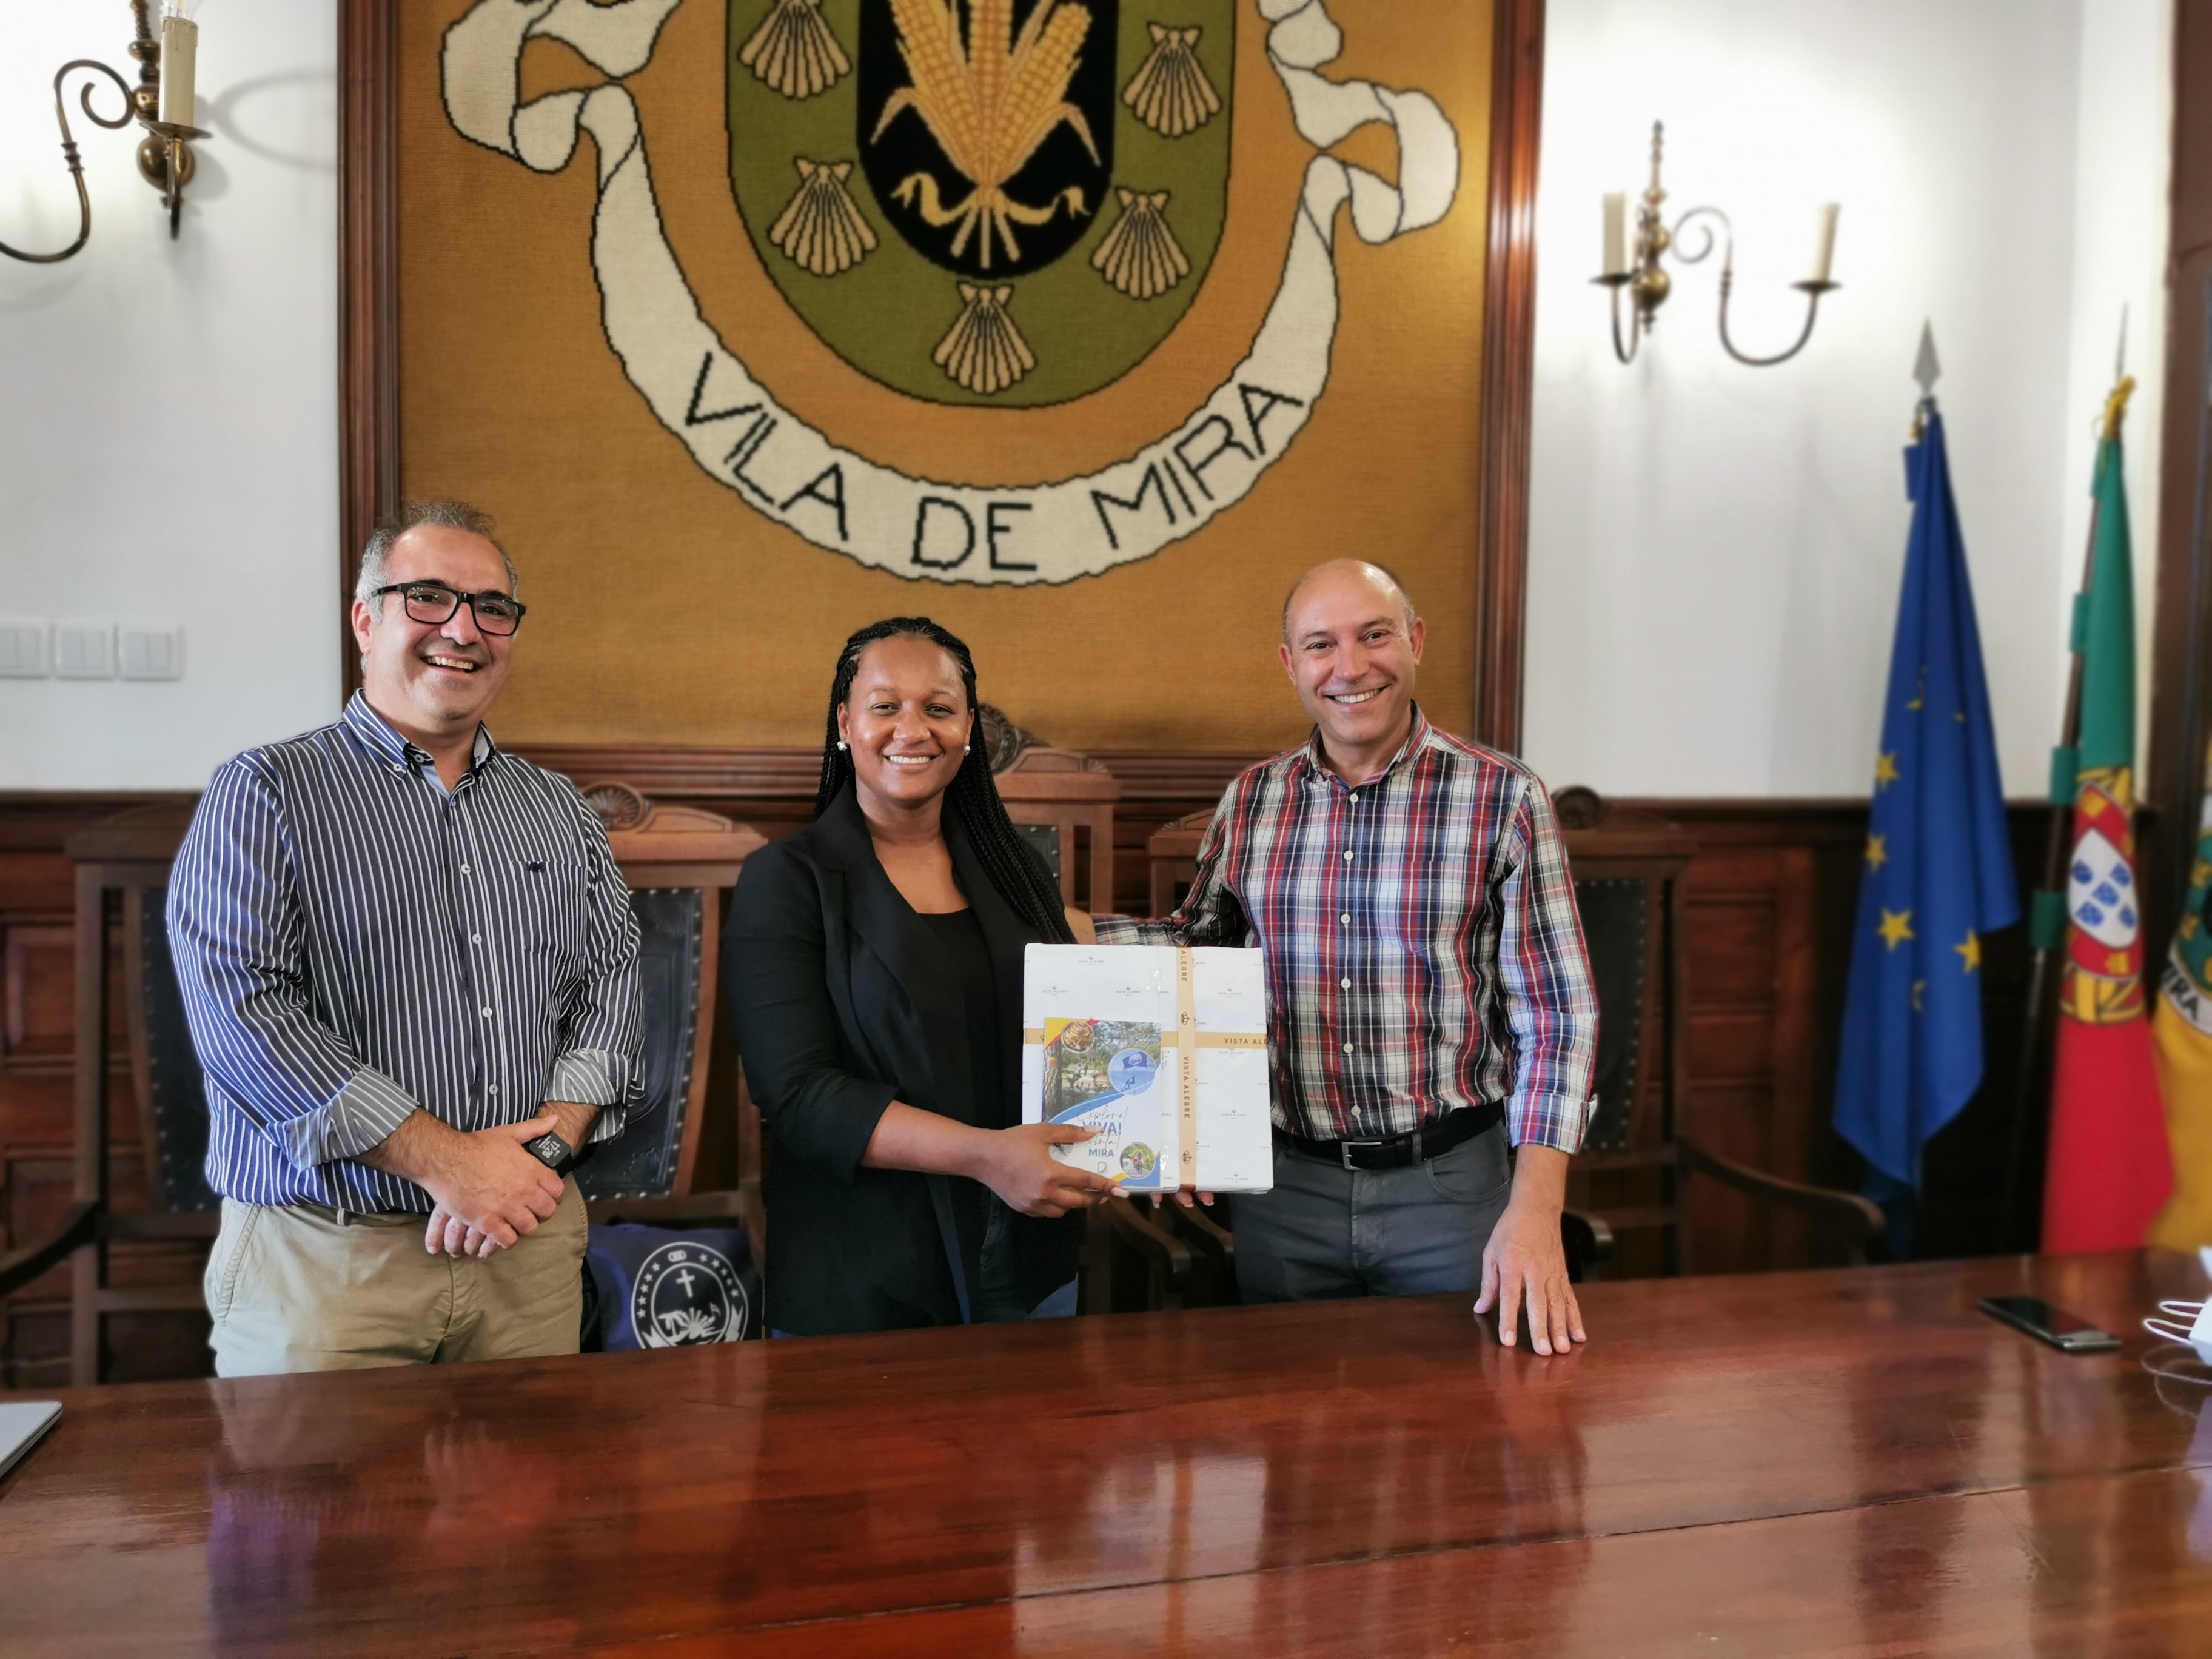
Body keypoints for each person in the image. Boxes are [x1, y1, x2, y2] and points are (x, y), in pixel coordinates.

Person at [169, 500, 644, 1375]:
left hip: (527, 1252)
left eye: (491, 608)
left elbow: (611, 990)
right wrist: (449, 1164)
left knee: (538, 1474)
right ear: (365, 619)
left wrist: (536, 1158)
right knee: (315, 1478)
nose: (462, 630)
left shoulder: (560, 810)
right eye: (428, 597)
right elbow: (243, 1013)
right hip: (329, 1266)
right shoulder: (267, 792)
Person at [1102, 560, 1599, 1353]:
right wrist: (1064, 932)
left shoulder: (1505, 798)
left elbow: (1559, 1017)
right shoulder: (1253, 801)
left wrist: (1537, 1213)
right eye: (1321, 645)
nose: (1350, 666)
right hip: (1282, 1189)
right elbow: (1195, 954)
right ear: (1290, 664)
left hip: (1451, 1187)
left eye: (1374, 635)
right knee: (1288, 1413)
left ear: (1416, 641)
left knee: (1464, 1411)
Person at [726, 618, 1122, 1336]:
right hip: (868, 1272)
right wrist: (988, 1157)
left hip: (1030, 1251)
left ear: (967, 729)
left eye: (938, 708)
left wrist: (1154, 1149)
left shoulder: (1015, 871)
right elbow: (800, 1094)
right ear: (845, 724)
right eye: (885, 706)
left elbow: (1080, 1036)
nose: (912, 729)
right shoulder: (786, 880)